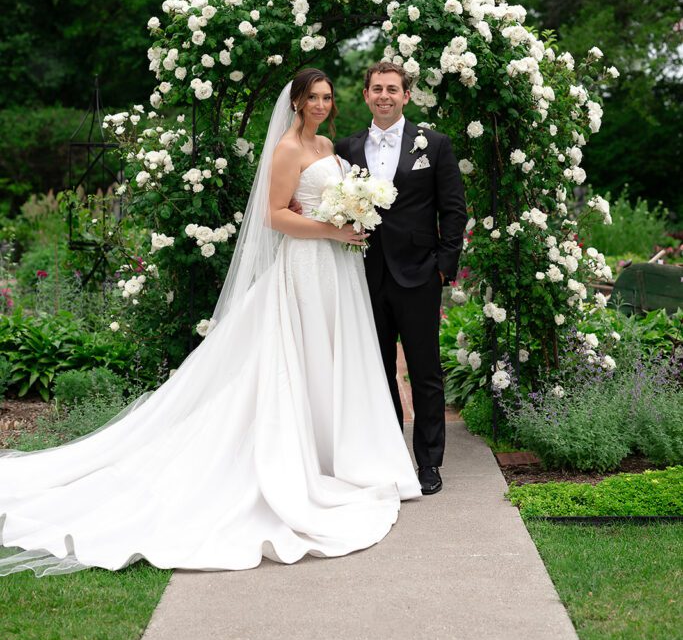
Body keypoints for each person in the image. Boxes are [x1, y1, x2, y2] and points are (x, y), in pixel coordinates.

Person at [0, 69, 420, 577]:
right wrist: (332, 228)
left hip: (337, 268)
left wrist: (352, 224)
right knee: (302, 356)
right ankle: (305, 460)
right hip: (307, 265)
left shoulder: (329, 142)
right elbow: (273, 216)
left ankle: (338, 454)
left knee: (335, 356)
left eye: (327, 97)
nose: (321, 105)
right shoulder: (286, 149)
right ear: (295, 102)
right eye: (312, 97)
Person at [335, 63, 467, 496]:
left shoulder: (435, 145)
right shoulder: (346, 148)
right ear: (366, 95)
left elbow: (453, 210)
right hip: (364, 273)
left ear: (406, 96)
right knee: (377, 371)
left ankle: (429, 462)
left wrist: (444, 266)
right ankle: (389, 458)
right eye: (377, 89)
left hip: (419, 274)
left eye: (393, 89)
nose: (385, 95)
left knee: (425, 372)